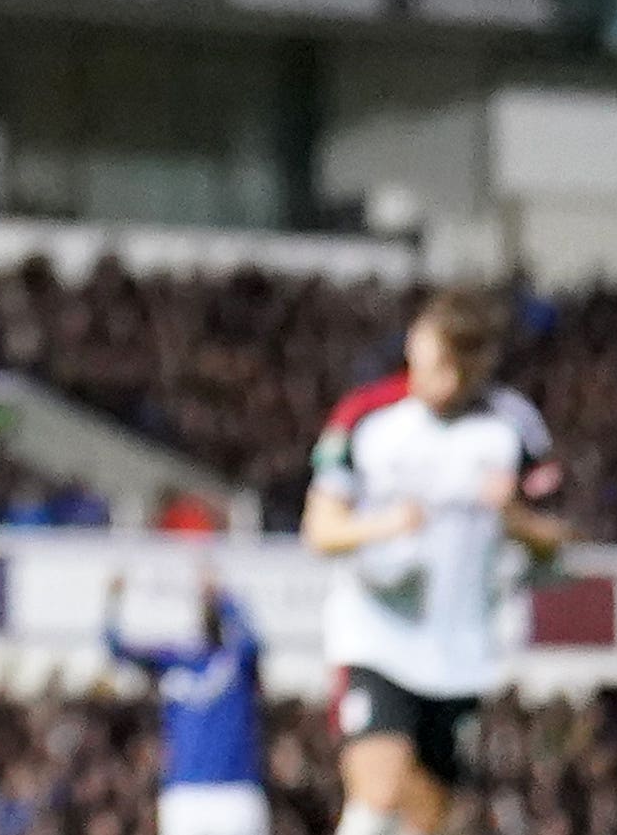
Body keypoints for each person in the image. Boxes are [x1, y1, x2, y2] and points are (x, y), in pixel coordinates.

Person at [301, 288, 563, 835]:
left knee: (427, 814)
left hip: (459, 648)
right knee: (379, 787)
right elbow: (320, 530)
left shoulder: (514, 427)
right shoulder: (367, 417)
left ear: (476, 367)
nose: (432, 380)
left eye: (446, 367)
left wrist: (513, 516)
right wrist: (385, 525)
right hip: (374, 630)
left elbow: (559, 538)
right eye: (424, 361)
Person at [107, 562, 266, 835]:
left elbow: (254, 641)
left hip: (236, 792)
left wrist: (222, 595)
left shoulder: (237, 660)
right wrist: (114, 599)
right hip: (185, 795)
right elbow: (115, 647)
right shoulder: (172, 662)